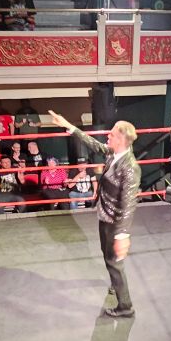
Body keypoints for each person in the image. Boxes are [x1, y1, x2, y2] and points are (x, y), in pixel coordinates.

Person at [49, 110, 140, 318]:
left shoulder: (130, 168)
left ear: (123, 140)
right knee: (107, 256)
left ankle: (125, 306)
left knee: (114, 263)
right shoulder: (113, 153)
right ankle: (115, 284)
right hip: (104, 214)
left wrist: (122, 234)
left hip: (115, 222)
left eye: (113, 134)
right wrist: (67, 124)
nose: (108, 135)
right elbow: (92, 143)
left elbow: (128, 204)